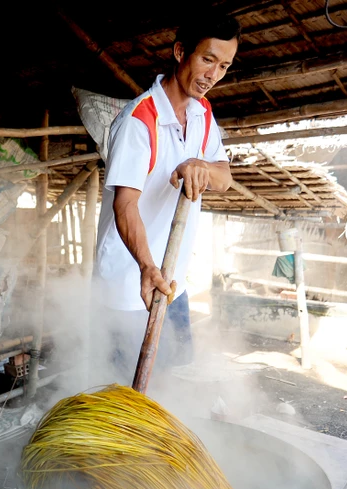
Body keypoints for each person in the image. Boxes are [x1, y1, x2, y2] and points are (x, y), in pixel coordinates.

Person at [93, 14, 241, 380]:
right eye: (207, 60)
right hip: (131, 284)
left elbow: (225, 177)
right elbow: (125, 205)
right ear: (180, 52)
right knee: (124, 394)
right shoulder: (139, 121)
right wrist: (147, 267)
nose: (213, 75)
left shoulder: (203, 114)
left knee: (172, 383)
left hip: (174, 281)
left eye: (224, 66)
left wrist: (199, 164)